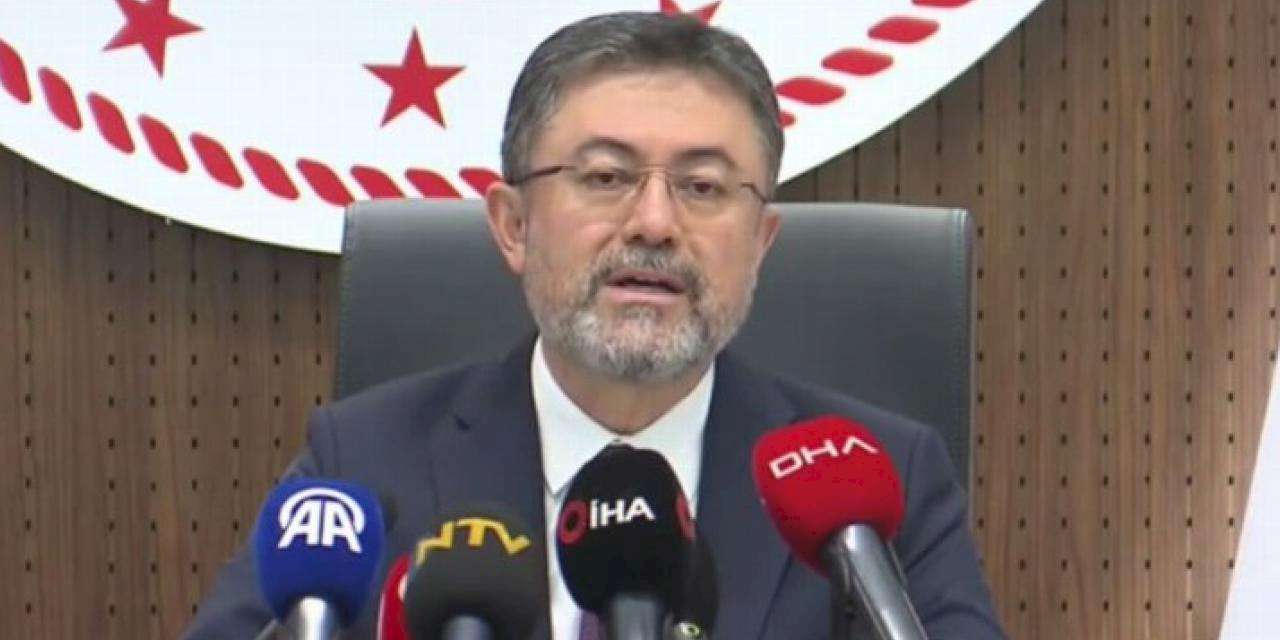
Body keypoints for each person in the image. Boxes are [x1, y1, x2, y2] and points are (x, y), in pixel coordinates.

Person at [184, 11, 1004, 639]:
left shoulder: (878, 488)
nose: (655, 223)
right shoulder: (361, 465)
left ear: (761, 242)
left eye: (704, 187)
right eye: (607, 177)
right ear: (513, 226)